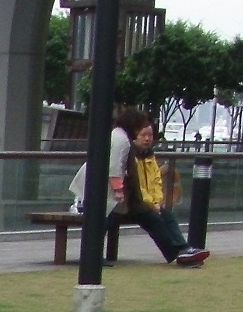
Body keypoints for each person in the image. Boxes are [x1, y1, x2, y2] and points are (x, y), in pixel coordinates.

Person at [73, 109, 207, 266]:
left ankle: (180, 251)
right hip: (109, 192)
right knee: (108, 219)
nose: (146, 137)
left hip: (118, 194)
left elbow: (151, 180)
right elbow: (116, 169)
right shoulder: (122, 140)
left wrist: (153, 201)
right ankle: (92, 256)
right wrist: (119, 191)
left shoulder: (123, 139)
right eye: (142, 131)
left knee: (154, 217)